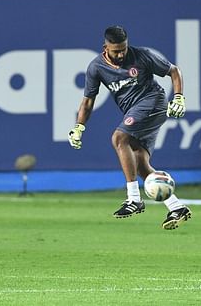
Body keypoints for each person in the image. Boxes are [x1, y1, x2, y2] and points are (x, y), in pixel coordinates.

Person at [68, 25, 191, 230]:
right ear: (105, 47)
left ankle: (133, 199)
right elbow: (88, 101)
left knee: (119, 138)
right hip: (134, 112)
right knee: (140, 162)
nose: (121, 54)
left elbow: (173, 71)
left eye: (123, 48)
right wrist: (79, 127)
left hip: (153, 102)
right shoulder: (96, 67)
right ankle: (176, 207)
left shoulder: (142, 55)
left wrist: (178, 97)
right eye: (116, 50)